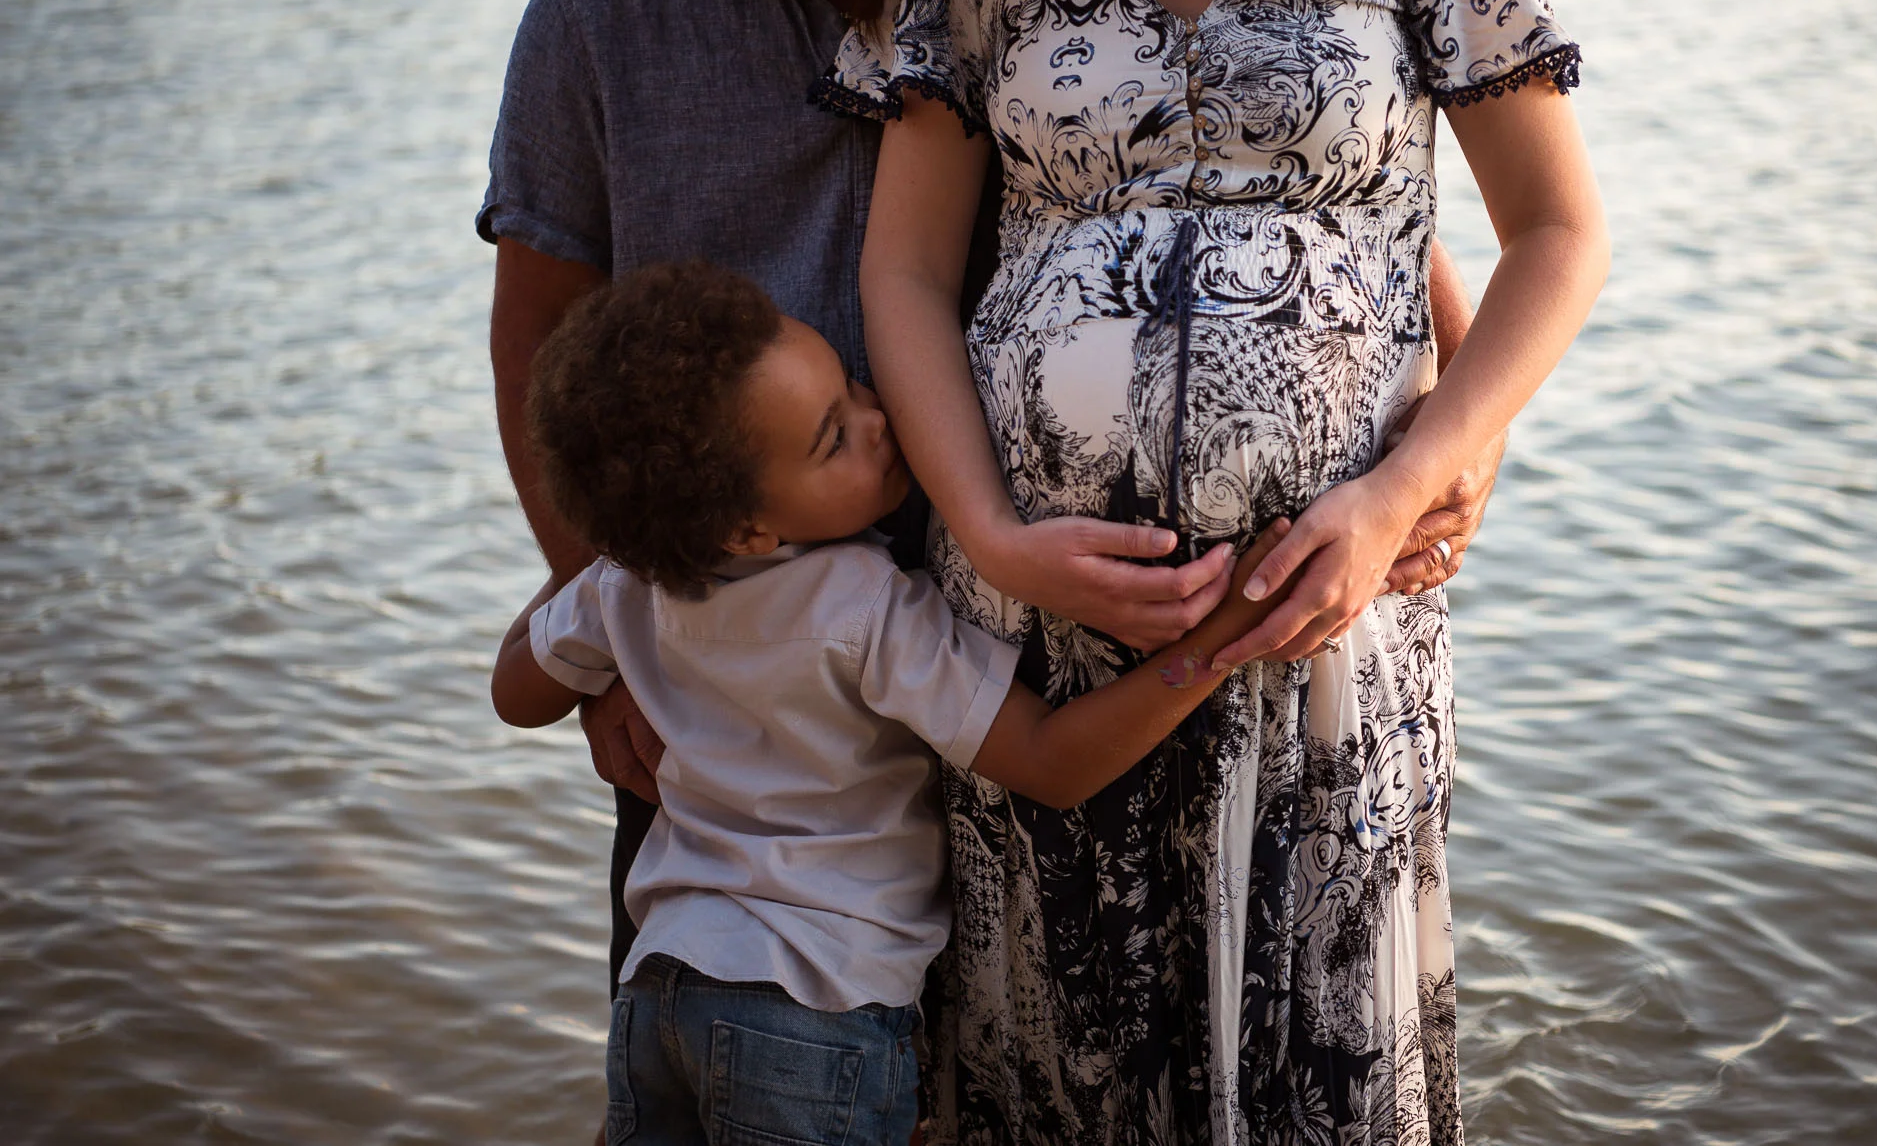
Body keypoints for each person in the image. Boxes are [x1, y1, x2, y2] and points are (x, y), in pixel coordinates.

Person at [477, 0, 1500, 1129]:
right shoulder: (602, 4)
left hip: (1008, 666)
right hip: (749, 712)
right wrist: (626, 657)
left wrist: (1449, 435)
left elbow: (1302, 177)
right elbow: (537, 347)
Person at [820, 0, 1610, 1142]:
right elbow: (899, 269)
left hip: (1328, 651)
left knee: (1322, 1078)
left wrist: (1401, 488)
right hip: (1046, 651)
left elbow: (1558, 233)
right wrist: (997, 535)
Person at [490, 262, 1296, 1146]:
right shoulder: (862, 606)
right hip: (815, 1009)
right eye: (833, 438)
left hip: (659, 989)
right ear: (748, 531)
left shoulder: (627, 588)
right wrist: (1222, 643)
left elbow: (513, 691)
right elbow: (1053, 763)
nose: (879, 420)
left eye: (852, 383)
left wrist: (617, 549)